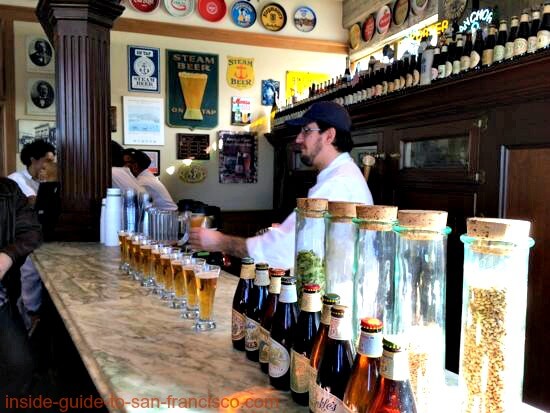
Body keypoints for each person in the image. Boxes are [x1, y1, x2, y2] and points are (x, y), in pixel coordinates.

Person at [189, 101, 373, 269]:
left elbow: (284, 251)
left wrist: (220, 242)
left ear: (329, 136)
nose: (298, 139)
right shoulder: (341, 175)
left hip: (339, 299)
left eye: (306, 131)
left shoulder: (337, 183)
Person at [0, 177, 42, 398]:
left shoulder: (7, 190)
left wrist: (7, 256)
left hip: (1, 300)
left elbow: (32, 231)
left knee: (20, 365)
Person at [8, 139, 55, 331]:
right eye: (47, 160)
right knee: (31, 264)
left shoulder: (44, 181)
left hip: (40, 232)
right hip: (20, 236)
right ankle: (29, 311)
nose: (49, 165)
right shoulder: (15, 180)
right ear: (33, 160)